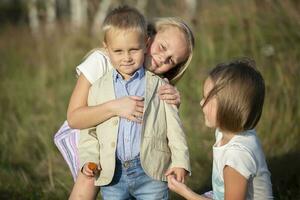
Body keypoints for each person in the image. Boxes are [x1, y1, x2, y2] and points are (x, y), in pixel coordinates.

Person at [54, 15, 194, 182]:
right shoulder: (102, 61)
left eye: (171, 60)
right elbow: (74, 119)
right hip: (86, 130)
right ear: (147, 37)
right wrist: (115, 107)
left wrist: (172, 103)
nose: (163, 59)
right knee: (88, 181)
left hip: (127, 150)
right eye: (162, 47)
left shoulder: (156, 83)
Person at [167, 58, 273, 200]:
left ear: (227, 107)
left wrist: (185, 192)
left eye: (206, 98)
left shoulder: (236, 157)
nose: (201, 102)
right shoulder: (226, 132)